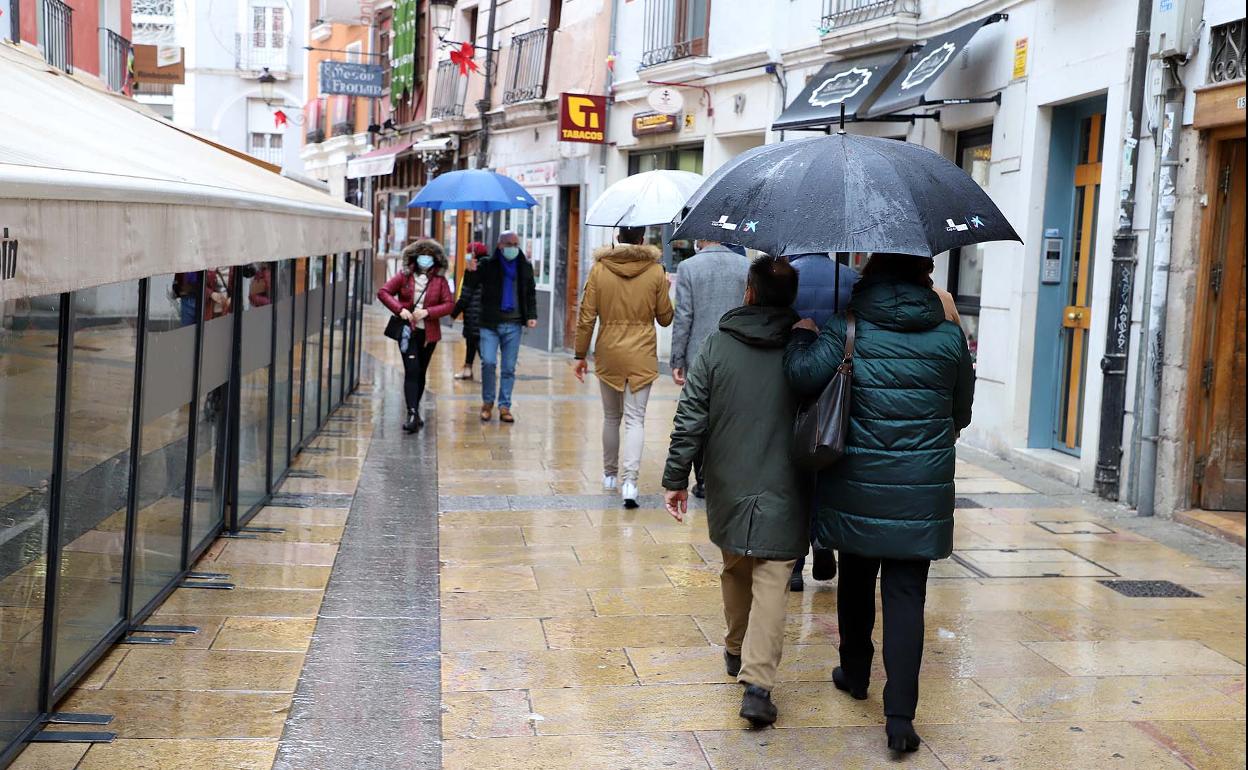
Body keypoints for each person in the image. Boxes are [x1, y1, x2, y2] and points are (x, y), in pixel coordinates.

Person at [783, 252, 975, 754]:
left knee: (857, 579)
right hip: (921, 486)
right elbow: (962, 411)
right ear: (923, 274)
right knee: (907, 595)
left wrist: (803, 335)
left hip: (857, 482)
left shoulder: (848, 326)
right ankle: (900, 717)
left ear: (869, 273)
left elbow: (802, 378)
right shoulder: (950, 334)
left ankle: (855, 672)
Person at [663, 256, 808, 728]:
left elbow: (691, 415)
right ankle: (758, 685)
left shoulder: (717, 344)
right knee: (773, 575)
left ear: (748, 293)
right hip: (788, 479)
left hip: (726, 476)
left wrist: (675, 477)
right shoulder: (805, 347)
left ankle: (735, 647)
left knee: (736, 564)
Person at [574, 226, 674, 508]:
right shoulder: (655, 272)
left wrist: (579, 355)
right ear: (643, 240)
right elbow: (665, 318)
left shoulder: (599, 270)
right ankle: (630, 482)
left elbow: (586, 316)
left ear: (618, 239)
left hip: (609, 352)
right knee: (635, 419)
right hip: (642, 352)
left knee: (611, 417)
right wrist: (663, 289)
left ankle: (609, 475)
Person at [785, 253, 859, 591]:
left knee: (799, 473)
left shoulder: (788, 276)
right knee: (828, 466)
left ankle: (796, 562)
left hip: (795, 381)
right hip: (838, 386)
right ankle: (823, 541)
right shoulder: (850, 278)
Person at [668, 239, 749, 499]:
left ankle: (703, 480)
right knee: (730, 415)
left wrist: (677, 360)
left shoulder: (689, 267)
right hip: (736, 351)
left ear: (701, 239)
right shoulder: (745, 266)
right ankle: (726, 476)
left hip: (699, 355)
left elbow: (683, 316)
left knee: (698, 417)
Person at [459, 230, 538, 423]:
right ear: (500, 246)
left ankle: (504, 406)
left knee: (508, 368)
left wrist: (531, 315)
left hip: (514, 324)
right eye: (509, 244)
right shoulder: (487, 265)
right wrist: (469, 270)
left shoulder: (524, 266)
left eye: (515, 244)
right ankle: (487, 403)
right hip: (489, 324)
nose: (513, 248)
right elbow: (471, 284)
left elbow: (530, 292)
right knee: (488, 362)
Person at [378, 239, 455, 433]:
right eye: (422, 255)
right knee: (412, 370)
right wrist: (400, 309)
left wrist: (428, 312)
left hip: (429, 334)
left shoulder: (439, 280)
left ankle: (416, 411)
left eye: (429, 256)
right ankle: (412, 413)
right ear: (414, 257)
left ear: (435, 260)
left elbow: (449, 304)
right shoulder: (404, 276)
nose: (425, 259)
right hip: (408, 332)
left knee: (420, 372)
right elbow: (383, 292)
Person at [451, 241, 488, 381]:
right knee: (472, 342)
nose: (466, 256)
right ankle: (467, 369)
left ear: (474, 255)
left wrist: (453, 313)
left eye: (468, 253)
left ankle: (488, 372)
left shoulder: (473, 271)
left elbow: (465, 296)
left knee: (479, 345)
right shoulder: (489, 268)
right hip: (482, 313)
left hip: (474, 313)